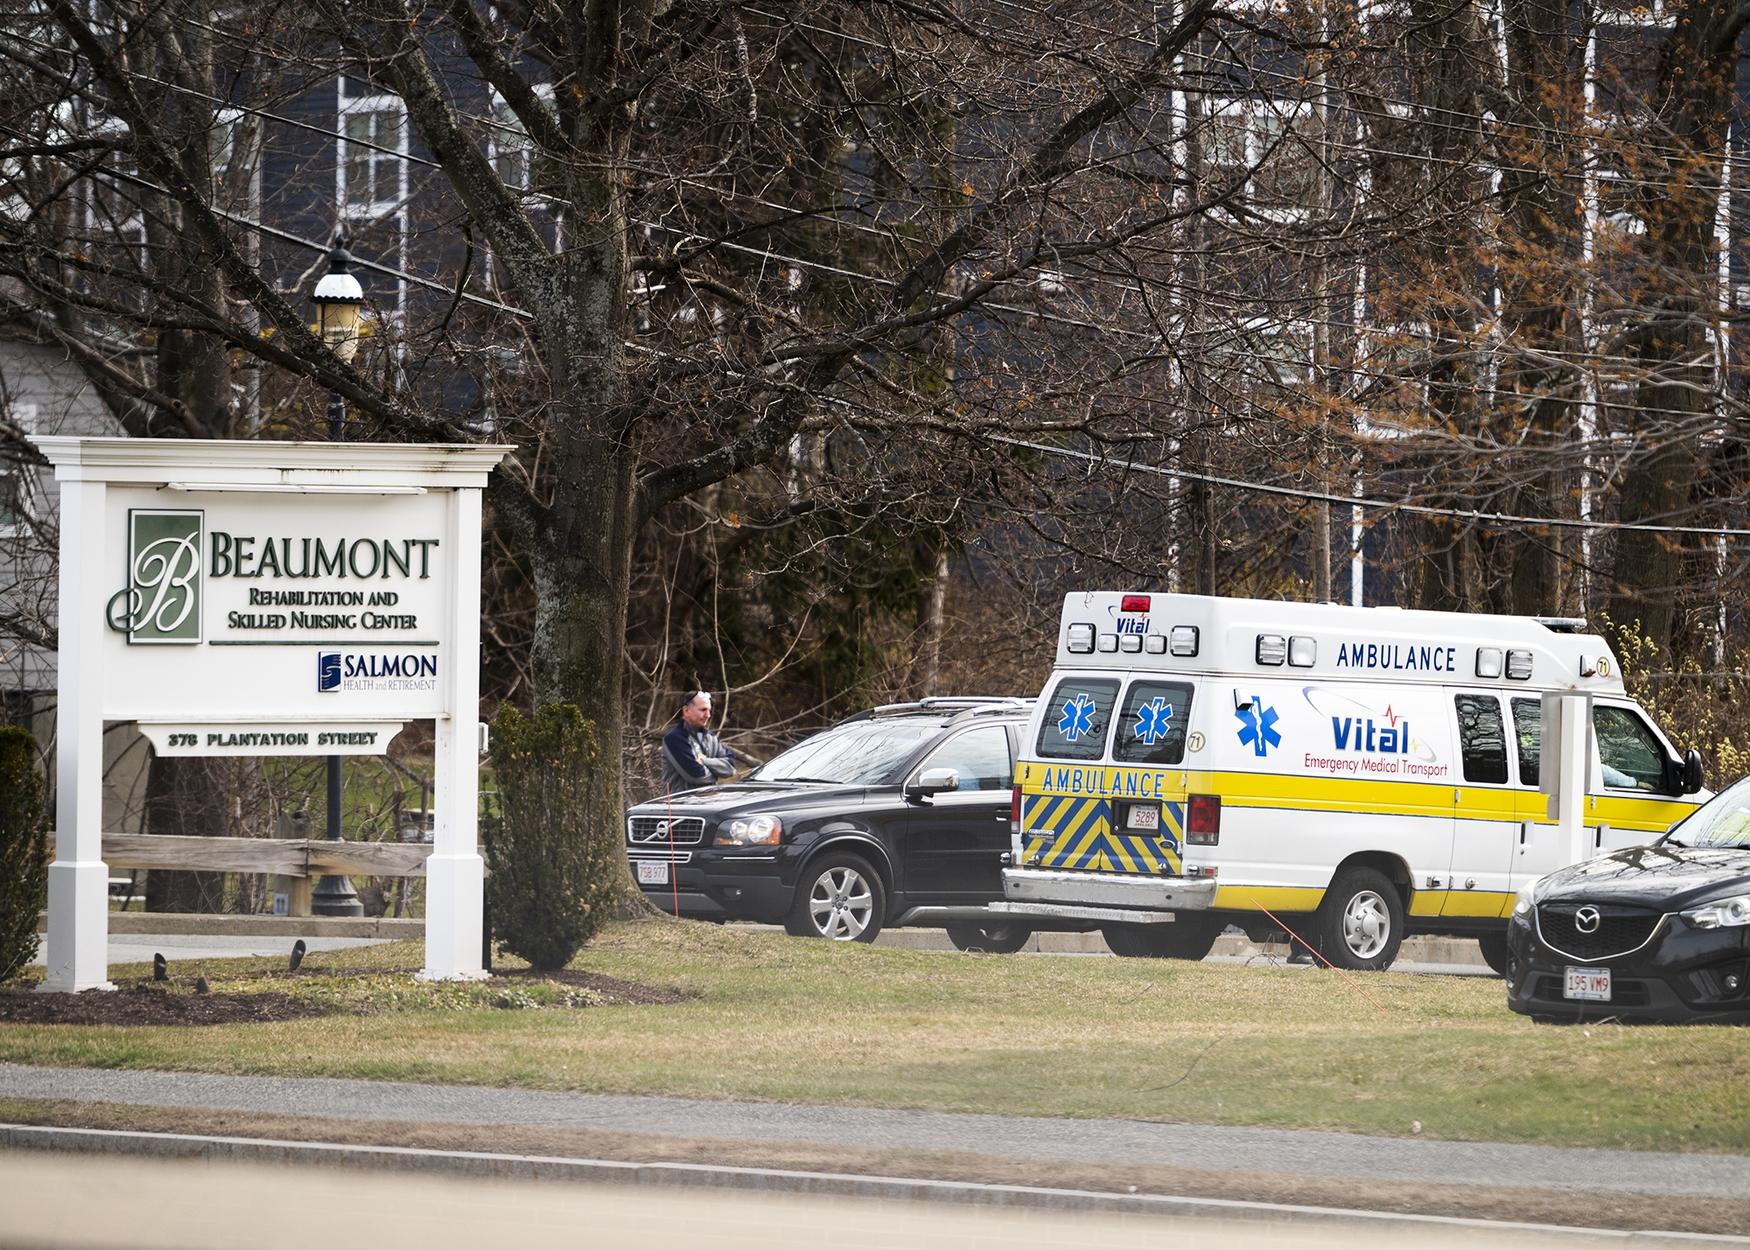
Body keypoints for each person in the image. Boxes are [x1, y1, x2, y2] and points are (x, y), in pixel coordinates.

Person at [661, 690, 738, 793]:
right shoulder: (674, 739)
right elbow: (696, 775)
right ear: (686, 711)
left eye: (709, 710)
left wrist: (704, 761)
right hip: (679, 805)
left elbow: (731, 768)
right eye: (703, 710)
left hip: (708, 803)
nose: (708, 715)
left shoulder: (711, 738)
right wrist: (717, 772)